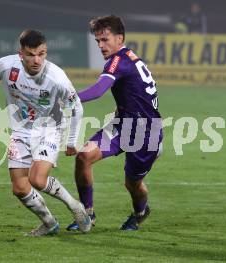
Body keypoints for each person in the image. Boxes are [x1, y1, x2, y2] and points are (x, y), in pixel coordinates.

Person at [0, 29, 91, 236]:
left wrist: (72, 141)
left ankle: (75, 207)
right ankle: (50, 223)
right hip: (20, 132)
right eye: (31, 54)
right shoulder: (7, 65)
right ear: (21, 53)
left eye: (41, 54)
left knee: (37, 180)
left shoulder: (56, 77)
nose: (37, 60)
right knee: (20, 188)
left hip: (48, 129)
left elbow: (77, 107)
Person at [66, 15, 163, 231]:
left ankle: (140, 212)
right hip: (122, 125)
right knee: (84, 156)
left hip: (145, 134)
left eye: (105, 39)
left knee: (132, 184)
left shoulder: (119, 61)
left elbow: (98, 90)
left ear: (120, 38)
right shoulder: (126, 58)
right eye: (98, 41)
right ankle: (87, 215)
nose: (101, 45)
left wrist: (67, 97)